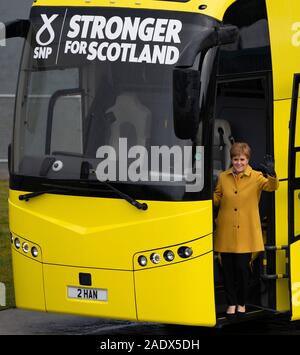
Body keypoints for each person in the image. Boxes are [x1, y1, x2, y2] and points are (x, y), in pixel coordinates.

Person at [213, 142, 279, 317]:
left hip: (246, 232)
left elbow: (272, 187)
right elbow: (217, 198)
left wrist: (271, 174)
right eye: (235, 159)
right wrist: (203, 191)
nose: (239, 163)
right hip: (226, 231)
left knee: (242, 270)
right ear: (231, 159)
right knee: (227, 271)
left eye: (242, 159)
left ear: (247, 159)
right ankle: (231, 304)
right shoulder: (222, 177)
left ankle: (241, 303)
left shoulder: (256, 176)